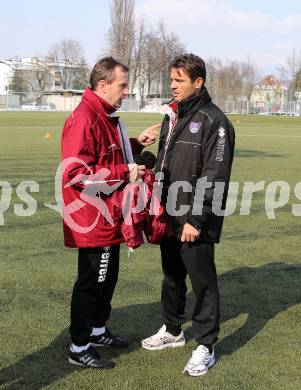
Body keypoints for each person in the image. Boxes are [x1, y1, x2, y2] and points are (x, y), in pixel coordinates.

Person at [61, 57, 159, 369]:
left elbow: (107, 151)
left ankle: (98, 330)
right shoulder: (85, 117)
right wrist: (124, 172)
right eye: (122, 85)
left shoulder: (102, 114)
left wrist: (135, 142)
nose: (126, 91)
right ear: (103, 85)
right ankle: (79, 345)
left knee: (108, 277)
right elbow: (76, 174)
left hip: (109, 214)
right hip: (92, 217)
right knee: (92, 280)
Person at [141, 54, 235, 376]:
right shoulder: (172, 115)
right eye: (172, 79)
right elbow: (167, 162)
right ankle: (173, 330)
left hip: (196, 219)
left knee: (202, 281)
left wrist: (196, 219)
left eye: (179, 80)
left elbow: (215, 174)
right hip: (168, 213)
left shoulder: (215, 121)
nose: (173, 85)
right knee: (172, 276)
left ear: (199, 82)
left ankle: (206, 345)